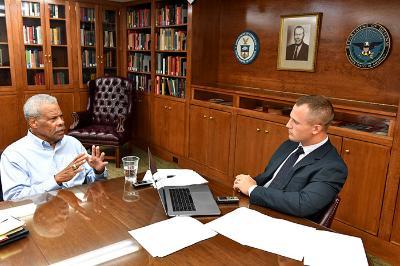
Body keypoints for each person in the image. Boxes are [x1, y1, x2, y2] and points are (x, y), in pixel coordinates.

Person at [233, 95, 347, 219]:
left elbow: (302, 204)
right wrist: (246, 182)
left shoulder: (333, 167)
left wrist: (252, 190)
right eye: (290, 118)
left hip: (284, 222)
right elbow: (269, 178)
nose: (288, 125)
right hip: (256, 209)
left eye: (295, 122)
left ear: (316, 129)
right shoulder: (290, 145)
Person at [0, 94, 108, 200]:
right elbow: (14, 199)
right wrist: (56, 180)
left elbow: (93, 182)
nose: (61, 122)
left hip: (78, 208)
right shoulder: (14, 154)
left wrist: (98, 172)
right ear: (33, 123)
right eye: (53, 119)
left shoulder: (73, 143)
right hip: (40, 212)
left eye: (61, 116)